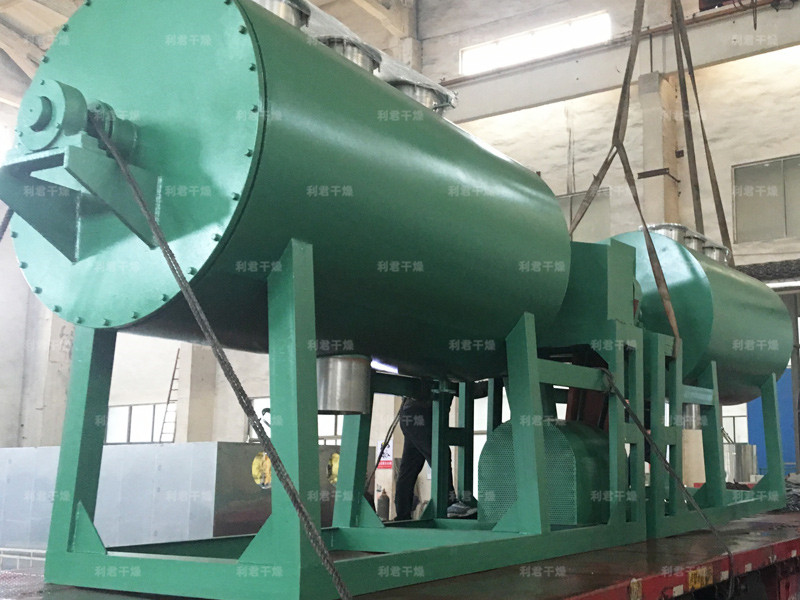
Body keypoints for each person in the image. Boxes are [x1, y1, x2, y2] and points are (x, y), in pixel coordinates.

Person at [394, 396, 476, 520]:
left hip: (411, 414)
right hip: (419, 414)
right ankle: (449, 503)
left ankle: (402, 514)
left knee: (410, 467)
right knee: (441, 454)